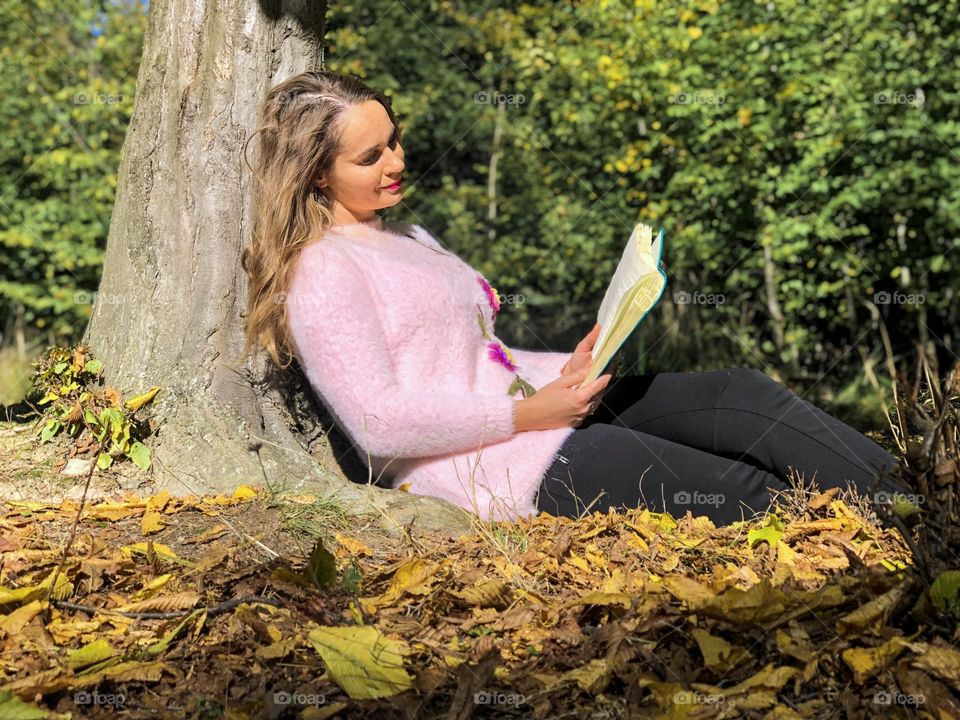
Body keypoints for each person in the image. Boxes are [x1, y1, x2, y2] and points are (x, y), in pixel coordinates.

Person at [239, 70, 900, 526]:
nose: (397, 162)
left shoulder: (409, 234)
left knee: (742, 396)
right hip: (494, 463)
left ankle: (923, 497)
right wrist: (532, 415)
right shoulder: (322, 272)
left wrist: (567, 364)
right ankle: (899, 544)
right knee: (743, 489)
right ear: (315, 172)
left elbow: (479, 356)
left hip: (542, 405)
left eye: (396, 140)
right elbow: (380, 426)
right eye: (371, 156)